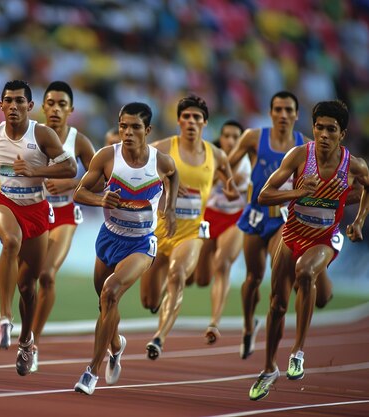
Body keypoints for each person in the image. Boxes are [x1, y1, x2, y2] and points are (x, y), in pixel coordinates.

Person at [0, 80, 77, 376]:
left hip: (35, 208)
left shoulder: (42, 134)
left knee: (28, 288)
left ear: (30, 107)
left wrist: (37, 170)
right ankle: (4, 318)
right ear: (0, 106)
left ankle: (26, 340)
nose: (13, 106)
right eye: (8, 101)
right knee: (10, 241)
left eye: (19, 101)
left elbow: (70, 168)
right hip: (3, 200)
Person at [248, 100, 369, 400]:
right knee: (276, 305)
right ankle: (268, 369)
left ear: (342, 134)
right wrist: (300, 191)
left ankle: (297, 352)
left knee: (305, 272)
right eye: (319, 128)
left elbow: (367, 187)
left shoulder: (354, 165)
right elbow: (264, 196)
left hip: (325, 237)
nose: (324, 134)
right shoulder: (300, 156)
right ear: (313, 128)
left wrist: (359, 222)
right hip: (292, 233)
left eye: (331, 129)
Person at [72, 102, 178, 395]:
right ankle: (116, 345)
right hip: (109, 237)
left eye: (134, 127)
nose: (127, 132)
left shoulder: (160, 161)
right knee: (105, 303)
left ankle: (90, 372)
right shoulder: (107, 157)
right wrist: (100, 200)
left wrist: (169, 209)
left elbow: (173, 176)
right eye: (123, 126)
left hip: (142, 243)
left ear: (148, 130)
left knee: (110, 292)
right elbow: (80, 192)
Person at [227, 91, 332, 359]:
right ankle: (249, 326)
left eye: (288, 110)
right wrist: (229, 182)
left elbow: (320, 181)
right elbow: (228, 164)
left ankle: (287, 304)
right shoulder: (253, 137)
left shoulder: (305, 146)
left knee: (282, 271)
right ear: (271, 112)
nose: (283, 115)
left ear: (297, 115)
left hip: (284, 218)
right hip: (255, 214)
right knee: (252, 278)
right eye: (278, 109)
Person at [139, 94, 239, 360]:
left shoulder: (216, 155)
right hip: (159, 232)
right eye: (186, 116)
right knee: (149, 301)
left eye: (197, 117)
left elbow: (231, 188)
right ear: (179, 120)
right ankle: (158, 305)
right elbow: (140, 178)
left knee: (177, 275)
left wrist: (232, 192)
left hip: (192, 233)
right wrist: (164, 182)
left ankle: (159, 337)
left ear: (205, 123)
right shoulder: (161, 149)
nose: (191, 121)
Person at [29, 81, 95, 372]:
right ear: (43, 107)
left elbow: (102, 177)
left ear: (71, 110)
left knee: (47, 276)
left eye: (62, 105)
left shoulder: (78, 141)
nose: (56, 109)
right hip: (32, 214)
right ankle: (20, 328)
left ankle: (33, 342)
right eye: (51, 103)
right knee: (27, 279)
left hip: (65, 214)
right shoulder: (30, 134)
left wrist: (70, 182)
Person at [191, 120, 251, 344]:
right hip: (209, 215)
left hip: (235, 218)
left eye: (237, 137)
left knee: (222, 264)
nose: (231, 141)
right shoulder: (210, 157)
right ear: (221, 138)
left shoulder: (249, 162)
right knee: (202, 278)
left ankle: (214, 322)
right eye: (227, 136)